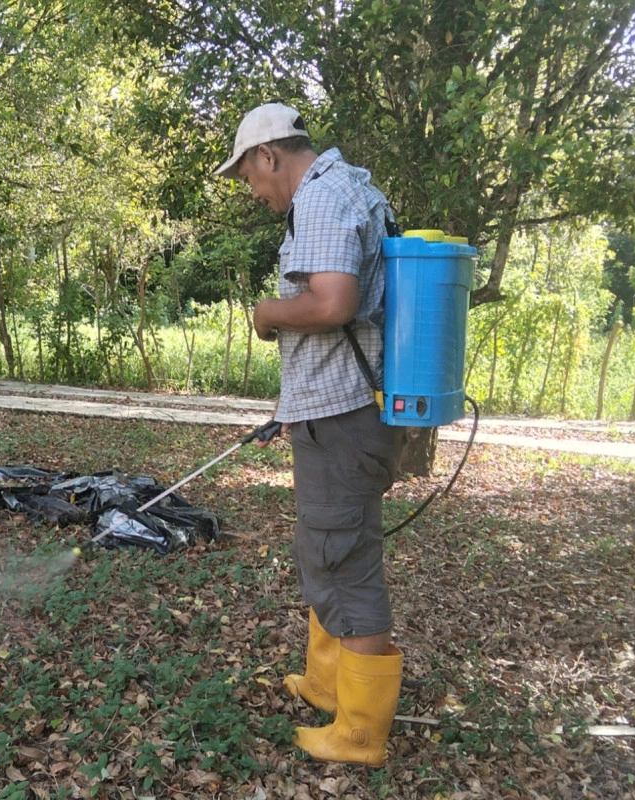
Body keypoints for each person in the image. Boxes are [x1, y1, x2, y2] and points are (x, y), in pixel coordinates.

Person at [215, 102, 405, 767]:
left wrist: (266, 313)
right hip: (335, 410)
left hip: (344, 416)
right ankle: (327, 685)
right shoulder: (347, 188)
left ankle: (357, 734)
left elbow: (331, 304)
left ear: (267, 154)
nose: (252, 191)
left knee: (344, 560)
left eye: (247, 177)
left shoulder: (322, 198)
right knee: (324, 549)